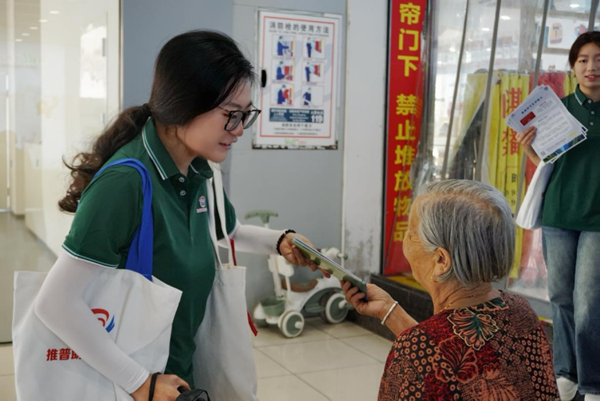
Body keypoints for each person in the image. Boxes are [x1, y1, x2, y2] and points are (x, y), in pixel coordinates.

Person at [34, 30, 321, 401]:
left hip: (177, 377)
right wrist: (140, 382)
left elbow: (226, 231)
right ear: (185, 104)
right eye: (231, 115)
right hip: (133, 385)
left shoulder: (200, 170)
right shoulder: (125, 184)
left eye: (245, 116)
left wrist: (280, 241)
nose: (238, 130)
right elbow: (55, 302)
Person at [342, 180, 559, 400]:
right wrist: (389, 311)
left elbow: (433, 355)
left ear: (440, 260)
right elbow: (447, 352)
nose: (405, 240)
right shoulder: (521, 311)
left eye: (411, 233)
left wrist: (410, 342)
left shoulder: (414, 352)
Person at [516, 31, 600, 401]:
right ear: (573, 67)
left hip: (598, 219)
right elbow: (549, 162)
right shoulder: (557, 110)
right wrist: (530, 150)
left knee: (589, 302)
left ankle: (593, 382)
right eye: (583, 60)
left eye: (598, 59)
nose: (591, 67)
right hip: (559, 213)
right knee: (562, 296)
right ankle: (565, 371)